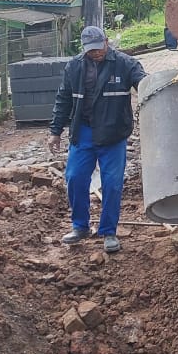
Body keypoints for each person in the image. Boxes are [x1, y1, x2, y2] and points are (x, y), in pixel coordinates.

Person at [48, 26, 147, 253]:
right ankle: (79, 226)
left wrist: (157, 89)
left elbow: (143, 84)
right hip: (83, 132)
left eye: (99, 48)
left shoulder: (125, 64)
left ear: (106, 41)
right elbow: (63, 99)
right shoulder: (74, 67)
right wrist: (55, 131)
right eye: (91, 50)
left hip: (113, 134)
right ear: (84, 49)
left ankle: (108, 231)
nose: (96, 53)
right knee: (74, 178)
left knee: (112, 184)